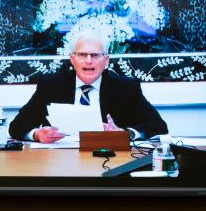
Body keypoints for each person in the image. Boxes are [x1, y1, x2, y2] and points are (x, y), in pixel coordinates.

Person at [9, 30, 168, 143]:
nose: (89, 61)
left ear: (106, 60)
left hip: (110, 161)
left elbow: (158, 126)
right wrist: (37, 134)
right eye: (82, 55)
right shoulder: (50, 85)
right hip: (59, 163)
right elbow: (17, 126)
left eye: (95, 55)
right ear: (72, 59)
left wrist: (126, 134)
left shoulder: (125, 87)